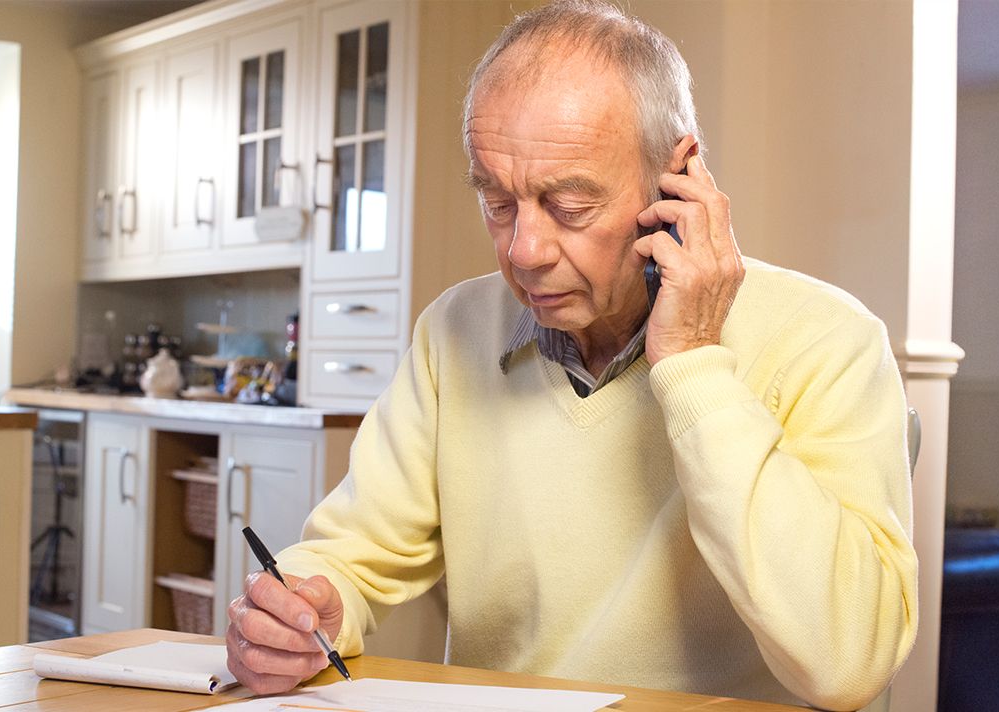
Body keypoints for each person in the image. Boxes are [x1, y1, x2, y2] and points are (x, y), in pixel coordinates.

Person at [225, 1, 918, 708]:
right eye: (498, 202)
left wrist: (693, 364)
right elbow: (353, 553)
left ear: (679, 176)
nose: (523, 251)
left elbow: (849, 664)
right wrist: (308, 608)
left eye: (570, 207)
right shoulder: (455, 330)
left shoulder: (828, 339)